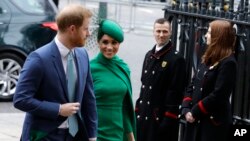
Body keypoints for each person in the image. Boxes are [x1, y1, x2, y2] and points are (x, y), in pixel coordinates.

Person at [13, 4, 97, 141]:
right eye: (86, 29)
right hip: (45, 136)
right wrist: (58, 109)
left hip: (75, 135)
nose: (89, 33)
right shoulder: (39, 58)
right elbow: (21, 99)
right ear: (72, 29)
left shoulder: (83, 55)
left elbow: (89, 98)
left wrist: (92, 136)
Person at [181, 20, 237, 141]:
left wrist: (195, 111)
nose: (206, 35)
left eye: (210, 33)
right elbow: (193, 83)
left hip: (211, 124)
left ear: (219, 37)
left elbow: (219, 95)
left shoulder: (228, 62)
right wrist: (186, 107)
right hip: (195, 120)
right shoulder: (208, 56)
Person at [135, 18, 186, 141]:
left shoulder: (176, 59)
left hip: (160, 120)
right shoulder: (149, 55)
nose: (161, 35)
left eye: (165, 31)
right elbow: (144, 84)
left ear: (170, 33)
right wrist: (138, 109)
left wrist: (168, 119)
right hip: (144, 117)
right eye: (158, 31)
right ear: (153, 32)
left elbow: (176, 92)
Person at [90, 19, 136, 141]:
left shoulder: (123, 67)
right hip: (95, 133)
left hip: (118, 133)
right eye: (105, 42)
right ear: (98, 42)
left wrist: (130, 136)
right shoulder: (89, 68)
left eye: (114, 43)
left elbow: (125, 106)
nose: (109, 47)